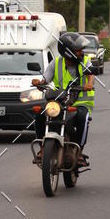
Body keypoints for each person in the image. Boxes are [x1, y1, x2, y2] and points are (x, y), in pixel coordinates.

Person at [32, 32, 95, 161]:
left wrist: (89, 84)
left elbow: (90, 74)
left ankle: (78, 151)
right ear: (68, 52)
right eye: (78, 50)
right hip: (59, 102)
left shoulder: (85, 61)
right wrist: (39, 83)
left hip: (80, 103)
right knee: (39, 114)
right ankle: (43, 148)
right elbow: (45, 80)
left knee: (83, 118)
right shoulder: (55, 63)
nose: (81, 52)